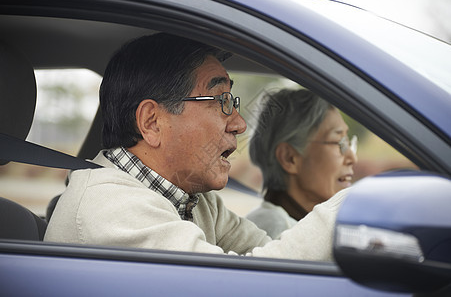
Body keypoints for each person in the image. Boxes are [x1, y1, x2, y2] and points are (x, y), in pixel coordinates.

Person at [44, 33, 348, 261]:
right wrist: (346, 209)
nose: (239, 124)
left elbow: (273, 252)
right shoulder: (112, 207)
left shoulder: (195, 200)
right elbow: (246, 287)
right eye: (221, 101)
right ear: (152, 122)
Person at [246, 89, 357, 239]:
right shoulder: (278, 231)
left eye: (349, 142)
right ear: (289, 158)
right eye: (339, 143)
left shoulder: (300, 224)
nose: (352, 158)